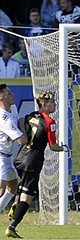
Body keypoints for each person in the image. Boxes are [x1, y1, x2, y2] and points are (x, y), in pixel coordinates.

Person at [7, 91, 69, 238]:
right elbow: (53, 146)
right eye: (52, 102)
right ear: (44, 104)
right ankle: (12, 226)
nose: (55, 105)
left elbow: (21, 121)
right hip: (32, 162)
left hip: (19, 158)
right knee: (28, 197)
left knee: (19, 188)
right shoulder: (50, 122)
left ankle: (15, 204)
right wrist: (64, 148)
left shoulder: (30, 116)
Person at [0, 85, 27, 216]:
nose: (13, 95)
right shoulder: (4, 120)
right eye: (8, 93)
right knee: (1, 188)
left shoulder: (13, 108)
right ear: (1, 97)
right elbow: (22, 140)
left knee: (13, 187)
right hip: (0, 156)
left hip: (7, 155)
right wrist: (22, 124)